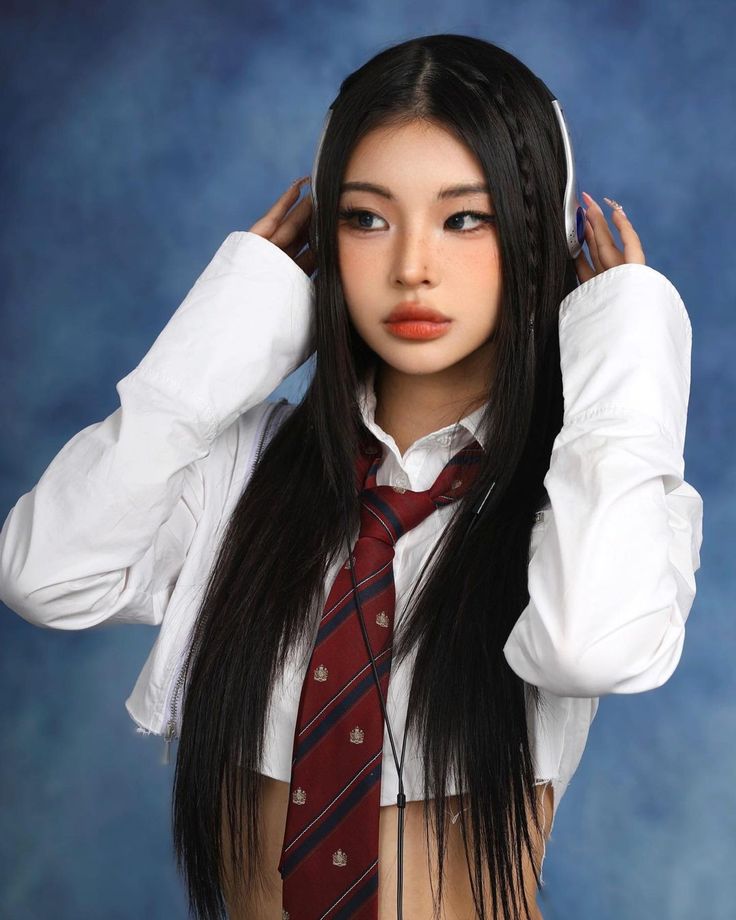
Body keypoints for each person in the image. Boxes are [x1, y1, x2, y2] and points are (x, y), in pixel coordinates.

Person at [0, 33, 703, 920]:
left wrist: (624, 350)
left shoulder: (581, 497)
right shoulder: (243, 470)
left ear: (538, 235)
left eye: (465, 218)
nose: (412, 266)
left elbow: (587, 644)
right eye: (368, 218)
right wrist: (231, 322)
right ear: (324, 242)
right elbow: (44, 575)